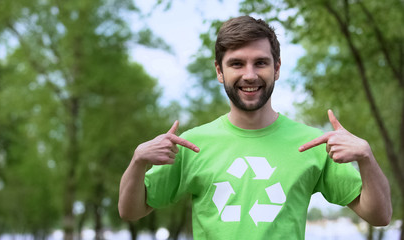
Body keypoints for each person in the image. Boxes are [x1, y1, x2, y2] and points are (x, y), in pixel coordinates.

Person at [118, 16, 392, 239]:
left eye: (260, 62)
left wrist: (366, 157)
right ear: (219, 71)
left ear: (277, 68)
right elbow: (131, 211)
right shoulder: (191, 144)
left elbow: (380, 216)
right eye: (236, 63)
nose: (249, 75)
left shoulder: (313, 144)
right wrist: (138, 161)